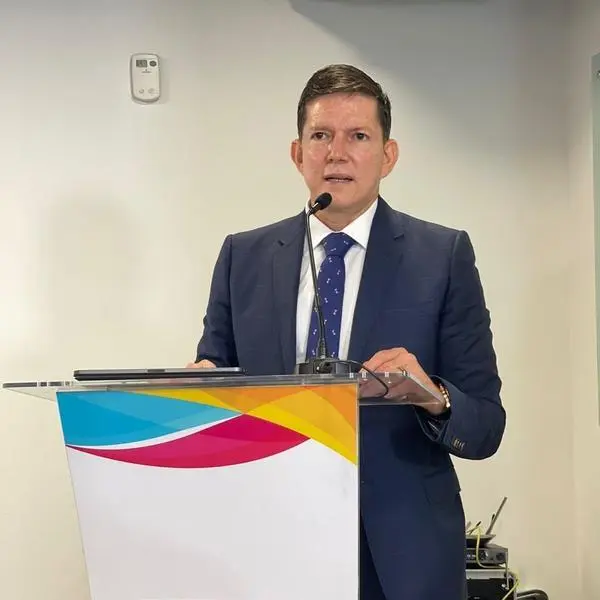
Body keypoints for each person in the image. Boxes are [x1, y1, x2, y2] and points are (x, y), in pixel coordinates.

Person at [190, 64, 505, 600]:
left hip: (403, 548)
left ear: (388, 155)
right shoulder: (243, 256)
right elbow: (216, 376)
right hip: (270, 534)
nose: (337, 153)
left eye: (358, 136)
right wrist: (198, 387)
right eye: (321, 136)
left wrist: (431, 396)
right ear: (298, 154)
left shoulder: (442, 256)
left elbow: (486, 424)